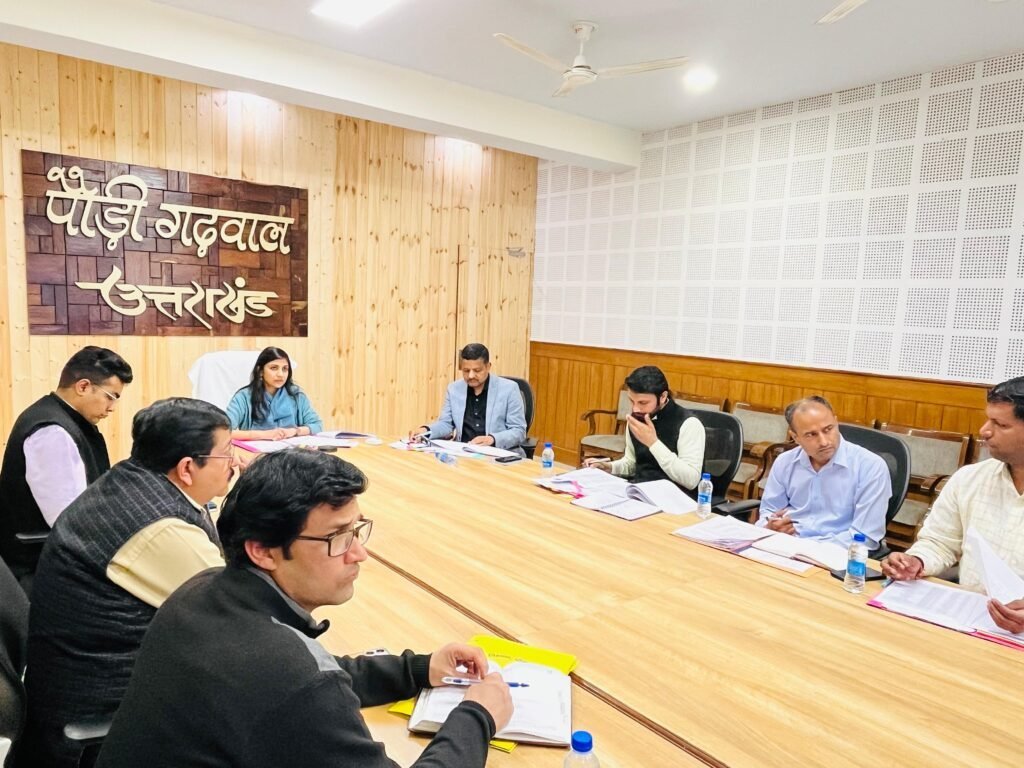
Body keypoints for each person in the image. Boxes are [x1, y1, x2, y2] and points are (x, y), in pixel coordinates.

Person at [95, 449, 512, 768]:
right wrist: (478, 716)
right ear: (263, 550)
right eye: (337, 537)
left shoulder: (203, 590)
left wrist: (417, 670)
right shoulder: (286, 675)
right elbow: (302, 683)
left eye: (356, 530)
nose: (359, 553)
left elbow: (314, 675)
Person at [15, 398, 238, 768]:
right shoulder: (160, 529)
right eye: (226, 453)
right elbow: (246, 621)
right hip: (103, 718)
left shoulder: (130, 480)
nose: (235, 462)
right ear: (187, 467)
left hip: (72, 692)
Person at [883, 377, 1024, 635]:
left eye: (1001, 424)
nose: (984, 431)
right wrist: (916, 560)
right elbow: (940, 542)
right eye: (988, 419)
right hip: (969, 619)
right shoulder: (971, 479)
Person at [0, 346, 133, 590]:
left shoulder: (65, 421)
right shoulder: (52, 432)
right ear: (83, 386)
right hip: (38, 570)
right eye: (110, 396)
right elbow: (69, 522)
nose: (112, 407)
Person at [755, 396, 890, 549]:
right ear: (795, 437)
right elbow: (769, 510)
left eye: (828, 429)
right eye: (811, 435)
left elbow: (865, 537)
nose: (824, 442)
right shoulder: (785, 462)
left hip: (836, 552)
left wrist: (808, 547)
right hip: (787, 545)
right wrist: (770, 526)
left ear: (836, 423)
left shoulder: (870, 466)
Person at [583, 366, 705, 493]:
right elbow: (632, 464)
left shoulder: (689, 424)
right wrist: (609, 467)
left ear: (663, 397)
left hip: (674, 498)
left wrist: (653, 443)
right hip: (640, 492)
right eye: (632, 401)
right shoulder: (637, 418)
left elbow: (691, 481)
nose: (635, 409)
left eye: (643, 403)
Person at [410, 343, 527, 455]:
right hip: (463, 453)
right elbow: (446, 424)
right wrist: (425, 430)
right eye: (466, 371)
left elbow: (519, 431)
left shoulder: (509, 389)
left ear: (488, 367)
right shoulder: (454, 389)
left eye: (477, 370)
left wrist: (492, 439)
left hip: (497, 455)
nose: (471, 376)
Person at [226, 346, 323, 440]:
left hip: (292, 449)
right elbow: (223, 432)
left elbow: (317, 425)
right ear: (260, 371)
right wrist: (265, 435)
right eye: (274, 368)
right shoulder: (243, 397)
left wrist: (294, 431)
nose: (280, 374)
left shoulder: (296, 395)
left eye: (285, 369)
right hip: (256, 449)